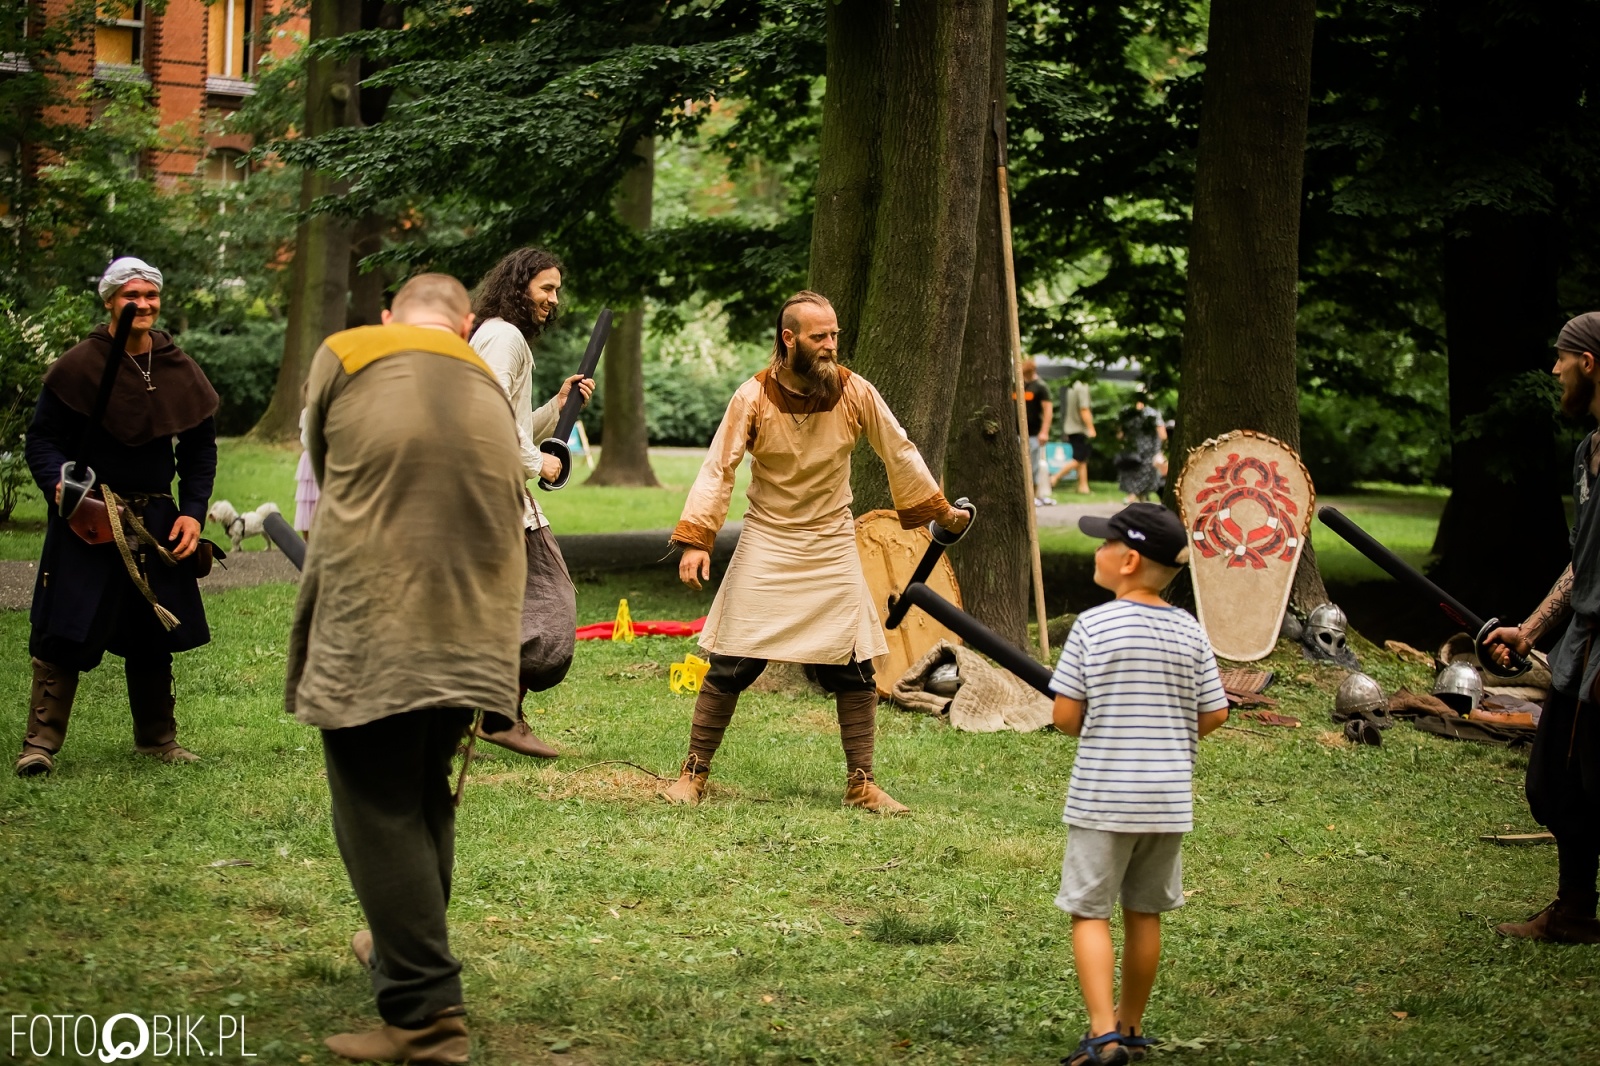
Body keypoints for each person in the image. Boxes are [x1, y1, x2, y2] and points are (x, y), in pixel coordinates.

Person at [287, 273, 527, 1062]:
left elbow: (323, 460)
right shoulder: (486, 375)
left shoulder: (347, 350)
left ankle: (425, 1016)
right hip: (478, 626)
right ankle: (400, 950)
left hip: (377, 619)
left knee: (376, 807)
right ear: (464, 326)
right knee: (423, 794)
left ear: (392, 316)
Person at [662, 290, 970, 814]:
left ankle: (861, 783)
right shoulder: (752, 396)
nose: (830, 345)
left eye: (834, 335)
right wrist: (696, 539)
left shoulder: (855, 391)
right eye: (819, 336)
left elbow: (898, 448)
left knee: (854, 666)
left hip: (830, 541)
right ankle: (693, 773)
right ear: (789, 339)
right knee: (732, 660)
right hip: (768, 538)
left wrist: (939, 510)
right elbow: (719, 467)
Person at [15, 256, 218, 777]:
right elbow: (42, 440)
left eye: (150, 295)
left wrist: (193, 513)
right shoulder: (79, 366)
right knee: (65, 626)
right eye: (131, 296)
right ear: (109, 301)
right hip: (87, 516)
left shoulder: (177, 366)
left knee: (152, 628)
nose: (143, 304)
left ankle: (157, 738)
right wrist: (60, 485)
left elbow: (199, 450)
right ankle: (40, 744)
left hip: (155, 517)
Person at [1049, 503, 1229, 1065]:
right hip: (1167, 802)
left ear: (1127, 561)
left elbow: (1065, 717)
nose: (1097, 550)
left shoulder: (1092, 626)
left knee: (1090, 912)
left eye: (1105, 543)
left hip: (1103, 798)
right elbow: (1215, 712)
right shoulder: (1189, 630)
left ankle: (1102, 1035)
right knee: (1144, 913)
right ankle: (1130, 1027)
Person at [1485, 312, 1600, 945]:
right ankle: (1575, 911)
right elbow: (1583, 559)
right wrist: (1529, 631)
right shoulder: (1587, 453)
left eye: (1562, 358)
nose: (1555, 370)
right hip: (1580, 646)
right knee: (1554, 784)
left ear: (1589, 362)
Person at [468, 247, 594, 760]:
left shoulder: (495, 334)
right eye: (546, 288)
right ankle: (499, 717)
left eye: (557, 289)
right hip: (494, 497)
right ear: (519, 286)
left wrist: (556, 408)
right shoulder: (505, 337)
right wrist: (535, 463)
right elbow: (488, 412)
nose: (554, 299)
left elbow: (514, 421)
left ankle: (456, 724)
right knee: (551, 609)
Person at [1114, 392, 1166, 503]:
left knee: (1131, 473)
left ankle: (1137, 498)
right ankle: (1134, 497)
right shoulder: (1152, 413)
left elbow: (1120, 434)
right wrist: (1160, 449)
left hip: (1131, 450)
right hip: (1149, 450)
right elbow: (1162, 434)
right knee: (1146, 474)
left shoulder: (1126, 412)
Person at [1055, 375, 1097, 495]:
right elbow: (1084, 409)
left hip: (1071, 427)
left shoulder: (1072, 386)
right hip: (1079, 428)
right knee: (1078, 459)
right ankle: (1054, 478)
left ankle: (1083, 487)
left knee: (1082, 459)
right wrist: (1091, 428)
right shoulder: (1082, 386)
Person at [1022, 358, 1055, 506]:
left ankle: (1033, 496)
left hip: (1033, 434)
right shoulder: (1018, 385)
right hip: (1015, 433)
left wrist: (1044, 431)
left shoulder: (1040, 387)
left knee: (1033, 466)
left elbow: (1047, 410)